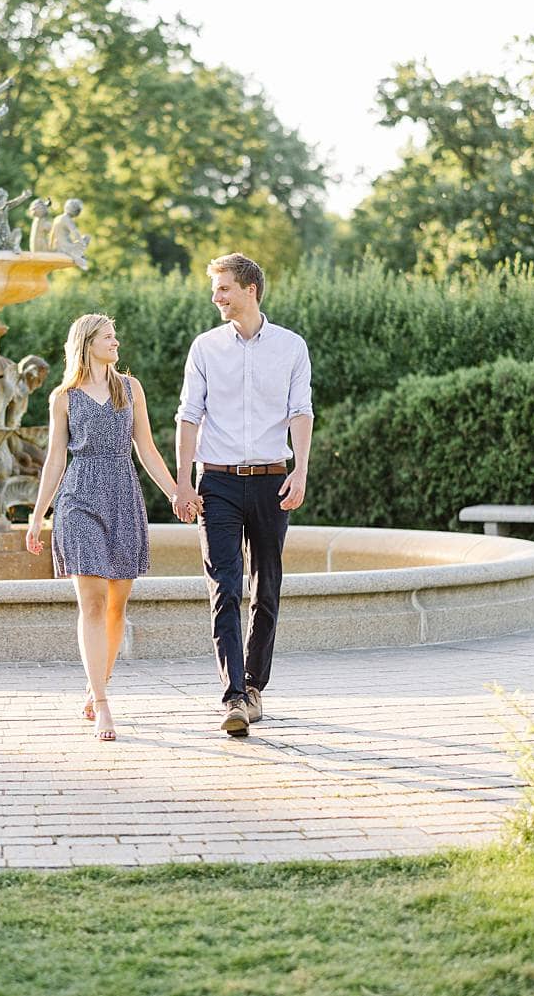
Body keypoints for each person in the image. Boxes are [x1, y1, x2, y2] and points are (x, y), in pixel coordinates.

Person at [171, 253, 313, 738]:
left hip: (274, 479)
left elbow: (301, 411)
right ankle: (232, 694)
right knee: (225, 586)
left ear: (250, 289)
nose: (216, 297)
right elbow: (188, 415)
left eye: (224, 288)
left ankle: (255, 686)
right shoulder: (205, 348)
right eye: (215, 289)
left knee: (266, 587)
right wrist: (184, 481)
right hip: (219, 482)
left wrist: (300, 471)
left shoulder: (292, 347)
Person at [27, 314, 186, 742]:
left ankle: (96, 683)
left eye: (115, 336)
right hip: (78, 498)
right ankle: (102, 704)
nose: (116, 342)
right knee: (92, 603)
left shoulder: (130, 390)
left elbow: (147, 449)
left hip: (123, 495)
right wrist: (39, 514)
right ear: (86, 343)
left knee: (117, 605)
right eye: (108, 337)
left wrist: (175, 493)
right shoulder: (64, 397)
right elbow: (56, 459)